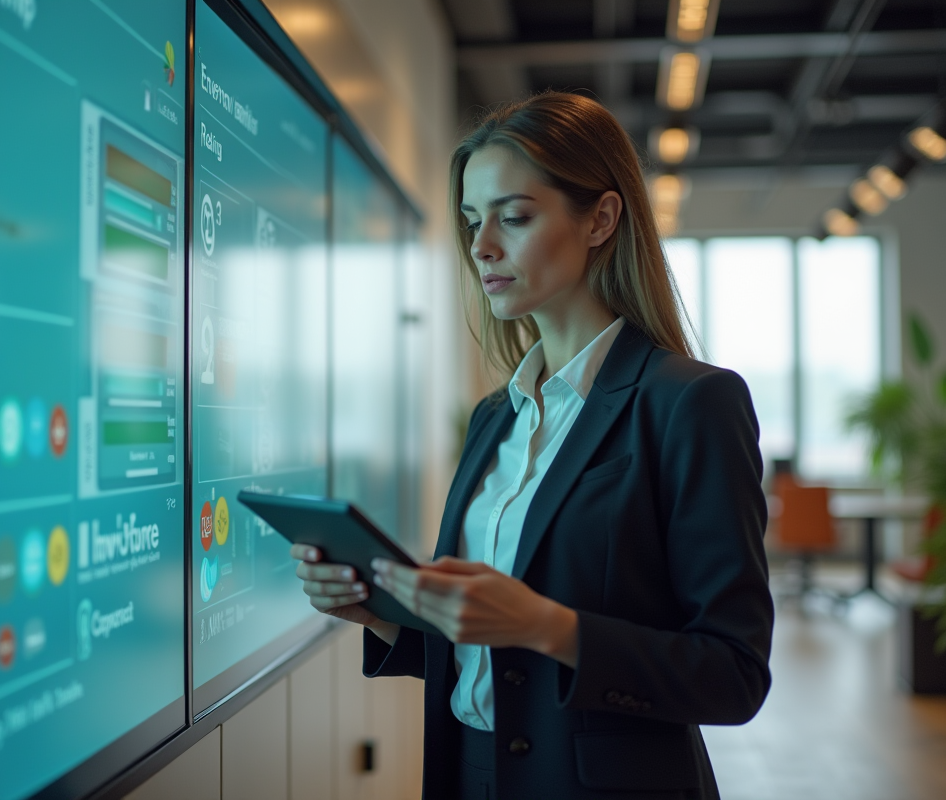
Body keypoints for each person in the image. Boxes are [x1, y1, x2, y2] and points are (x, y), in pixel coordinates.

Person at [292, 91, 773, 800]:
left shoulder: (690, 403)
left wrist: (552, 627)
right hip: (470, 774)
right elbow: (493, 664)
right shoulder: (496, 416)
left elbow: (734, 675)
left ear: (601, 219)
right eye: (471, 221)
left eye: (513, 217)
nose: (482, 245)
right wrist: (382, 617)